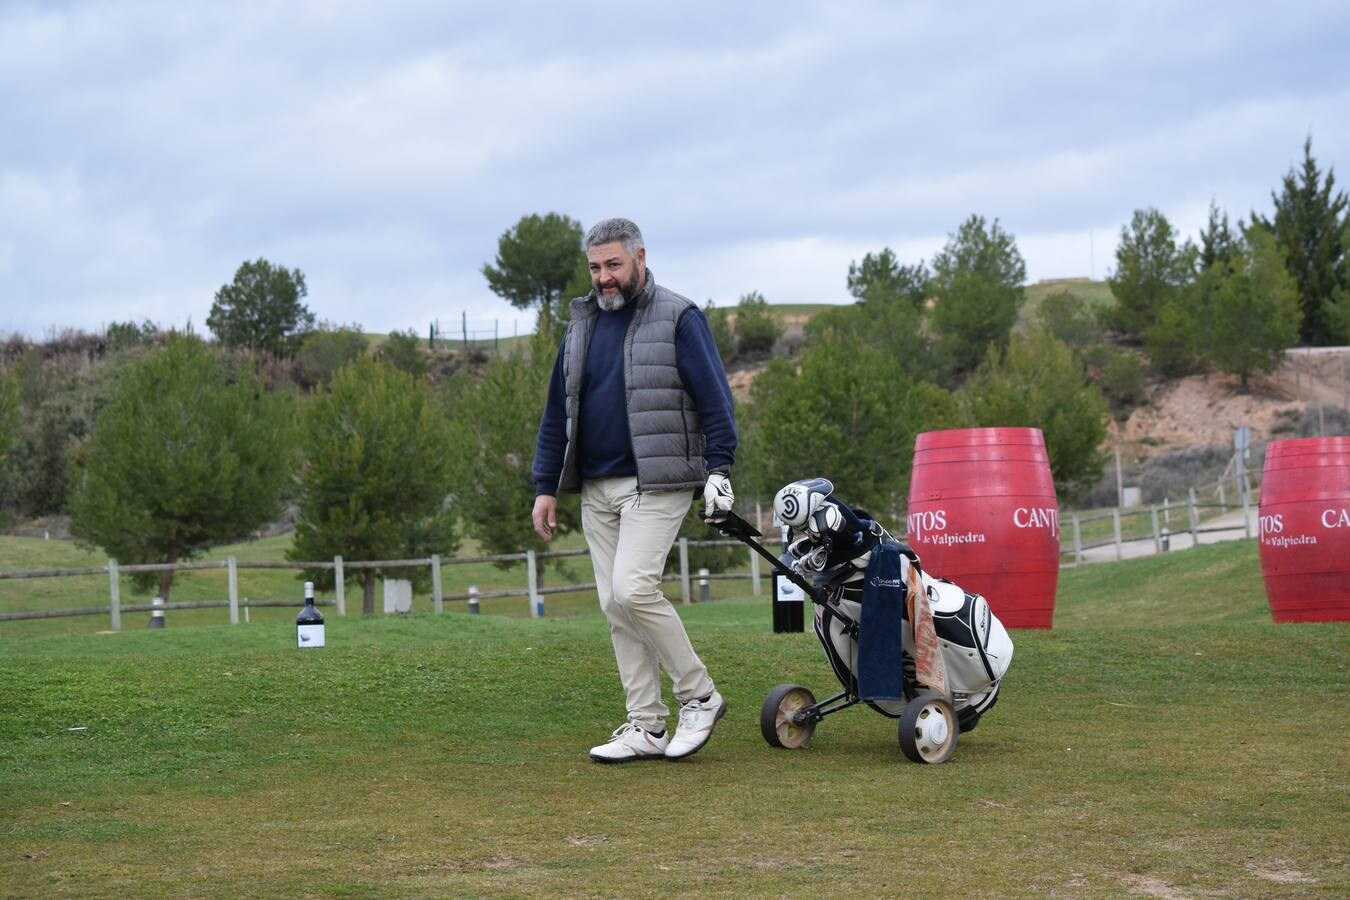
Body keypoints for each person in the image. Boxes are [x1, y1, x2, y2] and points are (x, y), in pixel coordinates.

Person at [531, 217, 738, 763]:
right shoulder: (579, 325)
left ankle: (700, 696)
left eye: (613, 265)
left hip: (659, 478)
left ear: (640, 258)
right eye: (595, 268)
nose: (604, 278)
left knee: (633, 588)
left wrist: (720, 468)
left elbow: (716, 399)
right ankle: (646, 726)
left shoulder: (679, 316)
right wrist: (544, 485)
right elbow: (558, 411)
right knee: (614, 604)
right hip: (595, 486)